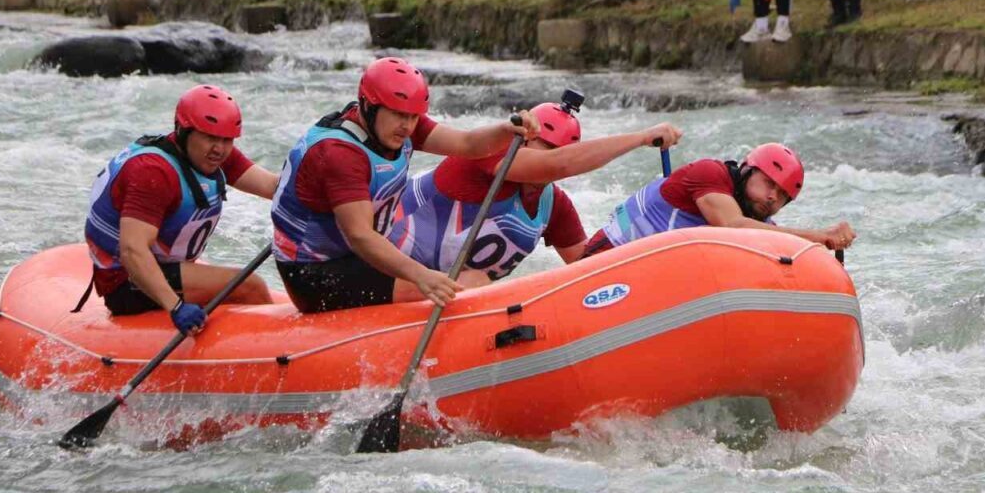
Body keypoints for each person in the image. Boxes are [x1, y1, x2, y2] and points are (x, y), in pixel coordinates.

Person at [271, 57, 538, 314]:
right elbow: (360, 236)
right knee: (469, 284)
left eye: (413, 117)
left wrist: (505, 131)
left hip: (356, 258)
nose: (407, 126)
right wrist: (421, 276)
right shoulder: (340, 154)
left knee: (474, 278)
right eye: (399, 115)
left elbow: (467, 145)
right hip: (313, 274)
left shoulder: (395, 124)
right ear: (368, 105)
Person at [389, 93, 683, 281]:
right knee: (474, 282)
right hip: (386, 268)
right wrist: (641, 137)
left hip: (442, 293)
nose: (549, 157)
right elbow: (559, 164)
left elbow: (587, 268)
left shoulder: (553, 205)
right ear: (525, 140)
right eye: (546, 147)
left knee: (474, 282)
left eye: (559, 149)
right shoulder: (490, 154)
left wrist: (651, 252)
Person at [83, 85, 280, 333]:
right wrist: (175, 307)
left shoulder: (211, 155)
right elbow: (132, 251)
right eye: (211, 137)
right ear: (183, 131)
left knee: (242, 285)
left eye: (227, 139)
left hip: (164, 268)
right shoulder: (154, 172)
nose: (219, 148)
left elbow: (273, 186)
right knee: (251, 286)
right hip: (128, 281)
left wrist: (317, 187)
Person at [581, 143, 855, 257]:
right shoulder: (710, 173)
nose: (773, 197)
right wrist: (818, 236)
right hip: (603, 257)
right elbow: (731, 226)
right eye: (769, 183)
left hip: (645, 273)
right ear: (747, 170)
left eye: (783, 196)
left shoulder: (761, 224)